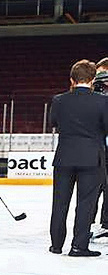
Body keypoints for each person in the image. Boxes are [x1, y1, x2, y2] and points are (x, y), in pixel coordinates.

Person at [48, 59, 108, 257]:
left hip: (64, 156)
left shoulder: (58, 100)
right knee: (85, 203)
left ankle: (56, 245)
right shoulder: (102, 100)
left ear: (72, 79)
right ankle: (78, 246)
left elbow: (54, 122)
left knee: (60, 202)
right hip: (92, 158)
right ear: (92, 79)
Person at [89, 57, 108, 242]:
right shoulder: (97, 96)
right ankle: (91, 222)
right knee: (95, 188)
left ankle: (105, 222)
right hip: (97, 149)